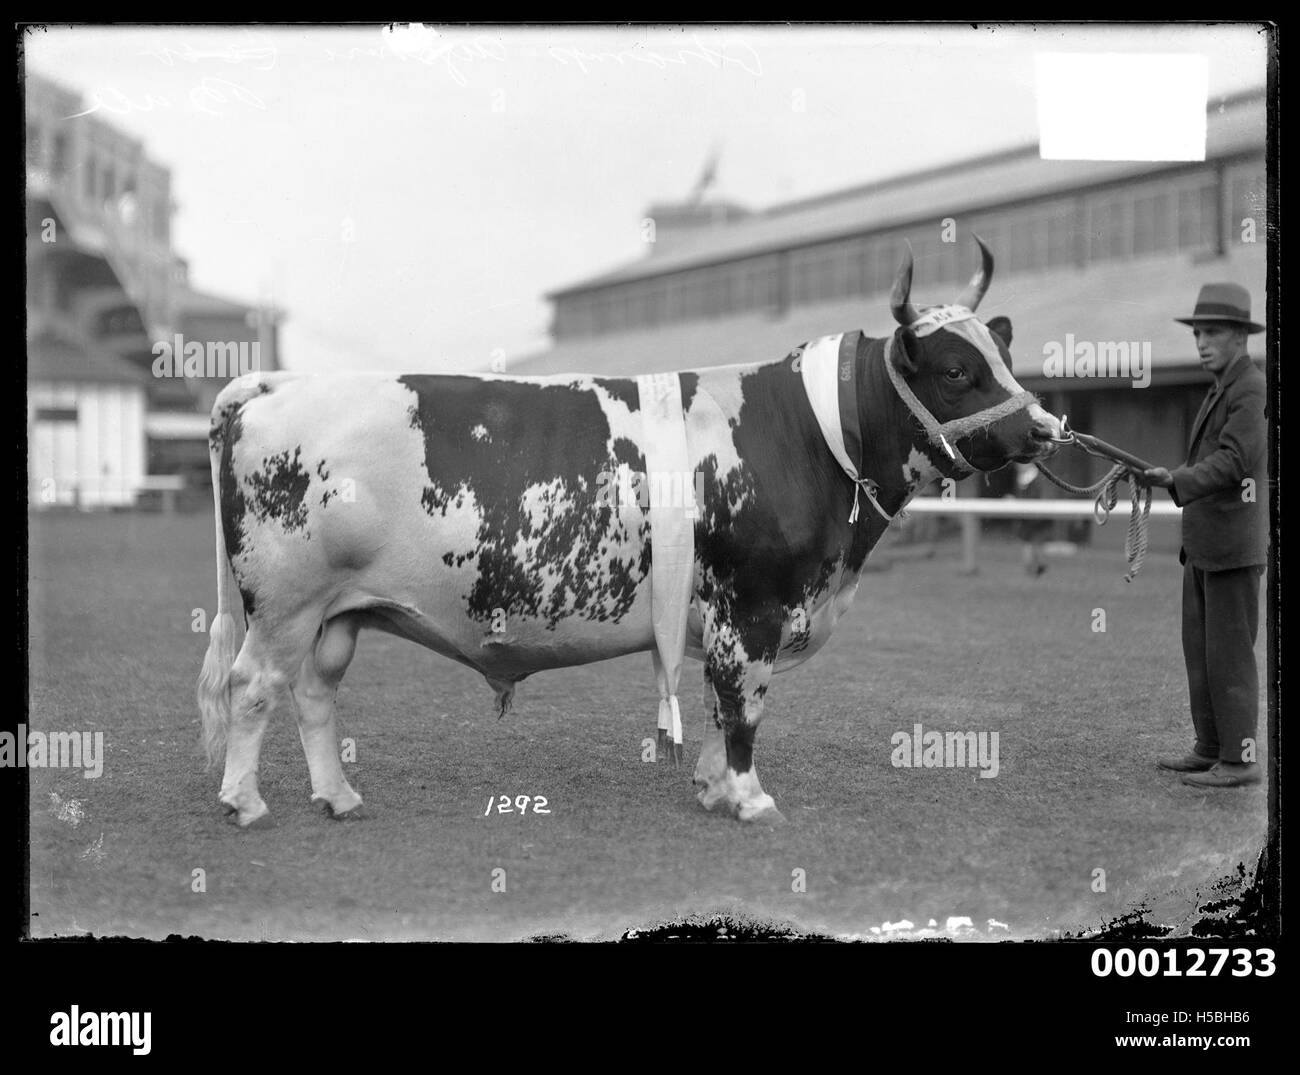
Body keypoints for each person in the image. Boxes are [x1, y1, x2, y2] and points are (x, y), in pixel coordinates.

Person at [1143, 283, 1268, 788]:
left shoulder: (1251, 389)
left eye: (1212, 332)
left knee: (1230, 656)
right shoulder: (1223, 388)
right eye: (1197, 332)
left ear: (1239, 335)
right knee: (1202, 653)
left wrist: (1176, 479)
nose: (1201, 341)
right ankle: (1211, 748)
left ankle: (1239, 761)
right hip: (1204, 546)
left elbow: (1236, 461)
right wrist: (1175, 478)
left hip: (1233, 548)